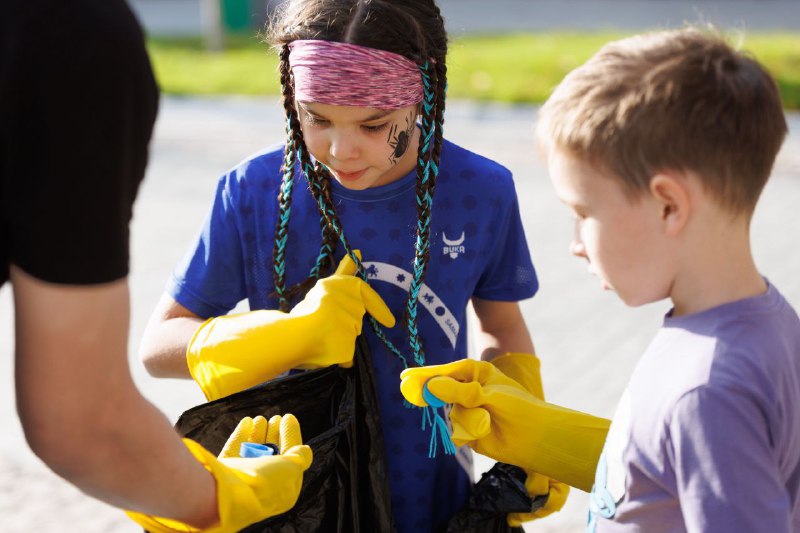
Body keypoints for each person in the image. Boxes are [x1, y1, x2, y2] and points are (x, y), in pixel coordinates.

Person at [137, 0, 572, 529]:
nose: (341, 149)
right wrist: (287, 334)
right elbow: (157, 348)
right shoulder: (252, 192)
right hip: (295, 499)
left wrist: (526, 436)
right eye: (316, 119)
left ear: (425, 89)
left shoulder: (481, 191)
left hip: (433, 492)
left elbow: (500, 323)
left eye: (374, 124)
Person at [401, 27, 800, 531]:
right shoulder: (759, 326)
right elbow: (665, 471)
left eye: (583, 213)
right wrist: (543, 434)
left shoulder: (708, 391)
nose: (575, 243)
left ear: (669, 205)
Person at [2, 2, 313, 532]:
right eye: (318, 119)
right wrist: (222, 498)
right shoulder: (69, 33)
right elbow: (84, 420)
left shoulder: (476, 190)